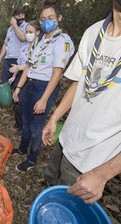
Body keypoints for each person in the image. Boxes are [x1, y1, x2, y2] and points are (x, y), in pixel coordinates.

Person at [42, 0, 121, 204]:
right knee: (51, 186)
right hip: (66, 140)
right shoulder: (94, 31)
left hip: (92, 162)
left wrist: (103, 173)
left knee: (67, 207)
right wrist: (55, 117)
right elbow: (79, 82)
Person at [11, 0, 74, 172]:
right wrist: (18, 88)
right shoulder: (39, 39)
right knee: (25, 121)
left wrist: (44, 99)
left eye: (51, 17)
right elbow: (29, 65)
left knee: (36, 127)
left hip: (44, 87)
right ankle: (23, 149)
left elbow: (57, 73)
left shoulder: (62, 41)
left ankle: (31, 160)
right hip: (29, 84)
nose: (46, 21)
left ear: (59, 18)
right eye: (43, 18)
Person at [0, 6, 28, 135]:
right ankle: (13, 113)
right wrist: (0, 58)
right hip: (8, 60)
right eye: (15, 17)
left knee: (17, 90)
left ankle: (21, 125)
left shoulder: (27, 27)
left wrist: (15, 25)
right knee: (6, 85)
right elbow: (6, 44)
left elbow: (23, 38)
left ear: (23, 16)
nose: (17, 19)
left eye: (20, 16)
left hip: (20, 62)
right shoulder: (10, 29)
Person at [8, 21, 42, 136]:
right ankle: (18, 124)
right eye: (26, 32)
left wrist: (19, 67)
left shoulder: (40, 48)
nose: (28, 34)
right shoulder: (23, 47)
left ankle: (23, 127)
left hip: (30, 79)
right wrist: (14, 76)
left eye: (31, 32)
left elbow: (31, 66)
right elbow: (19, 64)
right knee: (16, 101)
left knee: (22, 103)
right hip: (19, 77)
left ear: (38, 32)